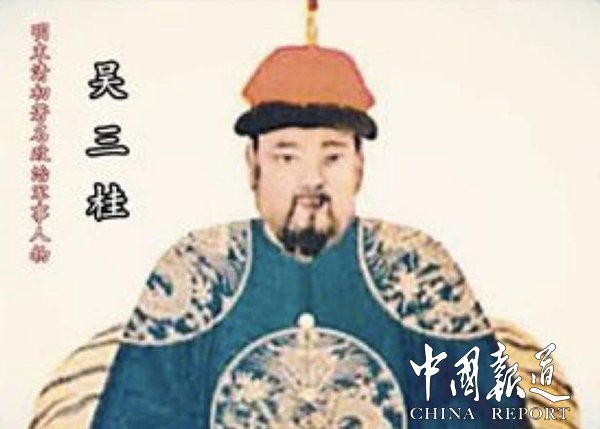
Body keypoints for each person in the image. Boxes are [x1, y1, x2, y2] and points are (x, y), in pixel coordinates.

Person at [30, 4, 577, 429]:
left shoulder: (416, 266)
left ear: (359, 164)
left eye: (332, 156)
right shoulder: (198, 269)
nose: (311, 180)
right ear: (253, 165)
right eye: (286, 157)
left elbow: (479, 419)